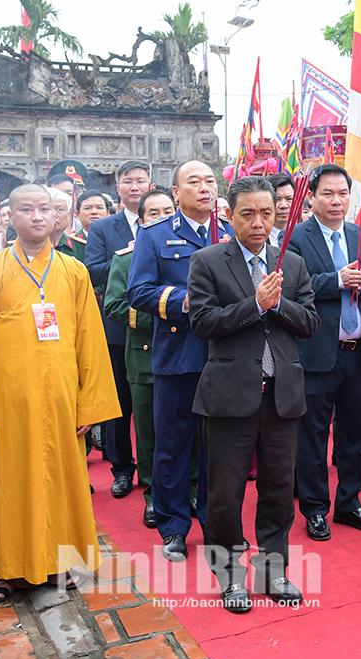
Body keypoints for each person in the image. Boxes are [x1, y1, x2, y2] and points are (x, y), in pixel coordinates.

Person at [0, 184, 120, 603]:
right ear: (11, 216)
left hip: (62, 397)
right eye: (27, 209)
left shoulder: (72, 271)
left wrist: (90, 402)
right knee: (11, 482)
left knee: (61, 480)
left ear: (59, 216)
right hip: (10, 401)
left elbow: (90, 340)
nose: (38, 217)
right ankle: (10, 570)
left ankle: (58, 562)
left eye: (47, 209)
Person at [189, 176, 319, 612]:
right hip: (229, 396)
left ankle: (274, 570)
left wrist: (278, 303)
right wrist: (255, 305)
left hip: (282, 395)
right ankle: (230, 576)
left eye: (266, 213)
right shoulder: (208, 261)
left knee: (280, 487)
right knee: (225, 492)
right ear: (230, 215)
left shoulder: (293, 265)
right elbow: (203, 323)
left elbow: (310, 323)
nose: (259, 222)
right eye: (248, 214)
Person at [128, 160, 232, 560]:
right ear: (175, 192)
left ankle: (214, 521)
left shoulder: (229, 232)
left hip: (222, 355)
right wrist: (181, 300)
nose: (204, 188)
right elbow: (139, 291)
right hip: (177, 355)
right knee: (173, 445)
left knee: (217, 448)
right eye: (194, 182)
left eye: (209, 181)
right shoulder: (155, 236)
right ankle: (173, 526)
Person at [287, 164, 361, 541]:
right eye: (327, 193)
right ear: (311, 197)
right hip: (316, 352)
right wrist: (337, 280)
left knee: (355, 433)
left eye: (342, 193)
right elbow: (296, 286)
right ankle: (314, 508)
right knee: (312, 435)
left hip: (360, 351)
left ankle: (349, 501)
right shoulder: (296, 237)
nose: (335, 201)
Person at [103, 189, 175, 529]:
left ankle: (187, 490)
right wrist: (166, 314)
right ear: (141, 221)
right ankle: (153, 495)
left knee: (187, 433)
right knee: (149, 434)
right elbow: (115, 305)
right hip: (145, 356)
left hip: (185, 356)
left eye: (167, 211)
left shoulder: (191, 253)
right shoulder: (126, 259)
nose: (161, 218)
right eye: (153, 213)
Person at [88, 161, 152, 498]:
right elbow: (92, 270)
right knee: (119, 404)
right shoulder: (104, 228)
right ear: (118, 187)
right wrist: (125, 259)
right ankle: (122, 468)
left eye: (141, 180)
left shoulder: (163, 222)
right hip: (118, 328)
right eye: (128, 181)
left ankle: (153, 469)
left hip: (155, 331)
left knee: (152, 404)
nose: (135, 187)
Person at [70, 190, 112, 262]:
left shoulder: (115, 238)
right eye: (87, 208)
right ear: (77, 214)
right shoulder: (71, 243)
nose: (94, 212)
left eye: (99, 208)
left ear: (108, 213)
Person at [268, 174, 295, 247]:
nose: (283, 205)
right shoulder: (257, 236)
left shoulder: (303, 235)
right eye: (277, 199)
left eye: (289, 199)